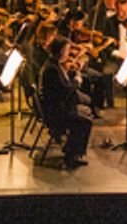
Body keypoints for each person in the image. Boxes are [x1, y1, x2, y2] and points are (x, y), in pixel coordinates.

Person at [38, 38, 94, 168]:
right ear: (61, 51)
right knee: (85, 121)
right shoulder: (52, 69)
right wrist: (77, 80)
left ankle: (73, 153)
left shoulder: (54, 64)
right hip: (56, 113)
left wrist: (73, 74)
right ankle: (71, 156)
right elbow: (66, 90)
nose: (69, 54)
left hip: (58, 106)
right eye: (67, 50)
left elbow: (63, 85)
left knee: (85, 116)